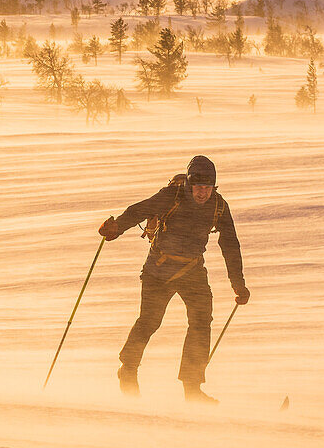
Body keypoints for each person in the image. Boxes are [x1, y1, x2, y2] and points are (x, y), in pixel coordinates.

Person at [99, 155, 250, 403]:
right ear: (189, 184)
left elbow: (230, 244)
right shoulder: (172, 196)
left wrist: (238, 283)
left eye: (208, 188)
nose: (203, 193)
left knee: (201, 322)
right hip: (159, 270)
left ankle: (192, 388)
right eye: (198, 187)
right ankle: (127, 369)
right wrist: (117, 227)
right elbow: (140, 210)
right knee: (150, 321)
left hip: (193, 270)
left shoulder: (219, 206)